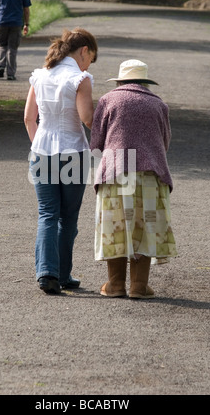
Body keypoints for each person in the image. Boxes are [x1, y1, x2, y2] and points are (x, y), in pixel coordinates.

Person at [90, 59, 177, 299]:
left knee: (116, 226)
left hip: (116, 172)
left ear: (120, 81)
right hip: (151, 173)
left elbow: (96, 143)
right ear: (145, 82)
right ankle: (139, 286)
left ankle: (116, 285)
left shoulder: (108, 100)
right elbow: (164, 142)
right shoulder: (159, 104)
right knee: (145, 226)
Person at [24, 28, 98, 294]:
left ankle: (46, 272)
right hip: (73, 152)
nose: (89, 64)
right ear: (84, 51)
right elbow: (88, 119)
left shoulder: (40, 76)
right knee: (68, 218)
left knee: (47, 214)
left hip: (41, 151)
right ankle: (63, 274)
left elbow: (29, 119)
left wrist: (39, 146)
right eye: (91, 58)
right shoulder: (80, 78)